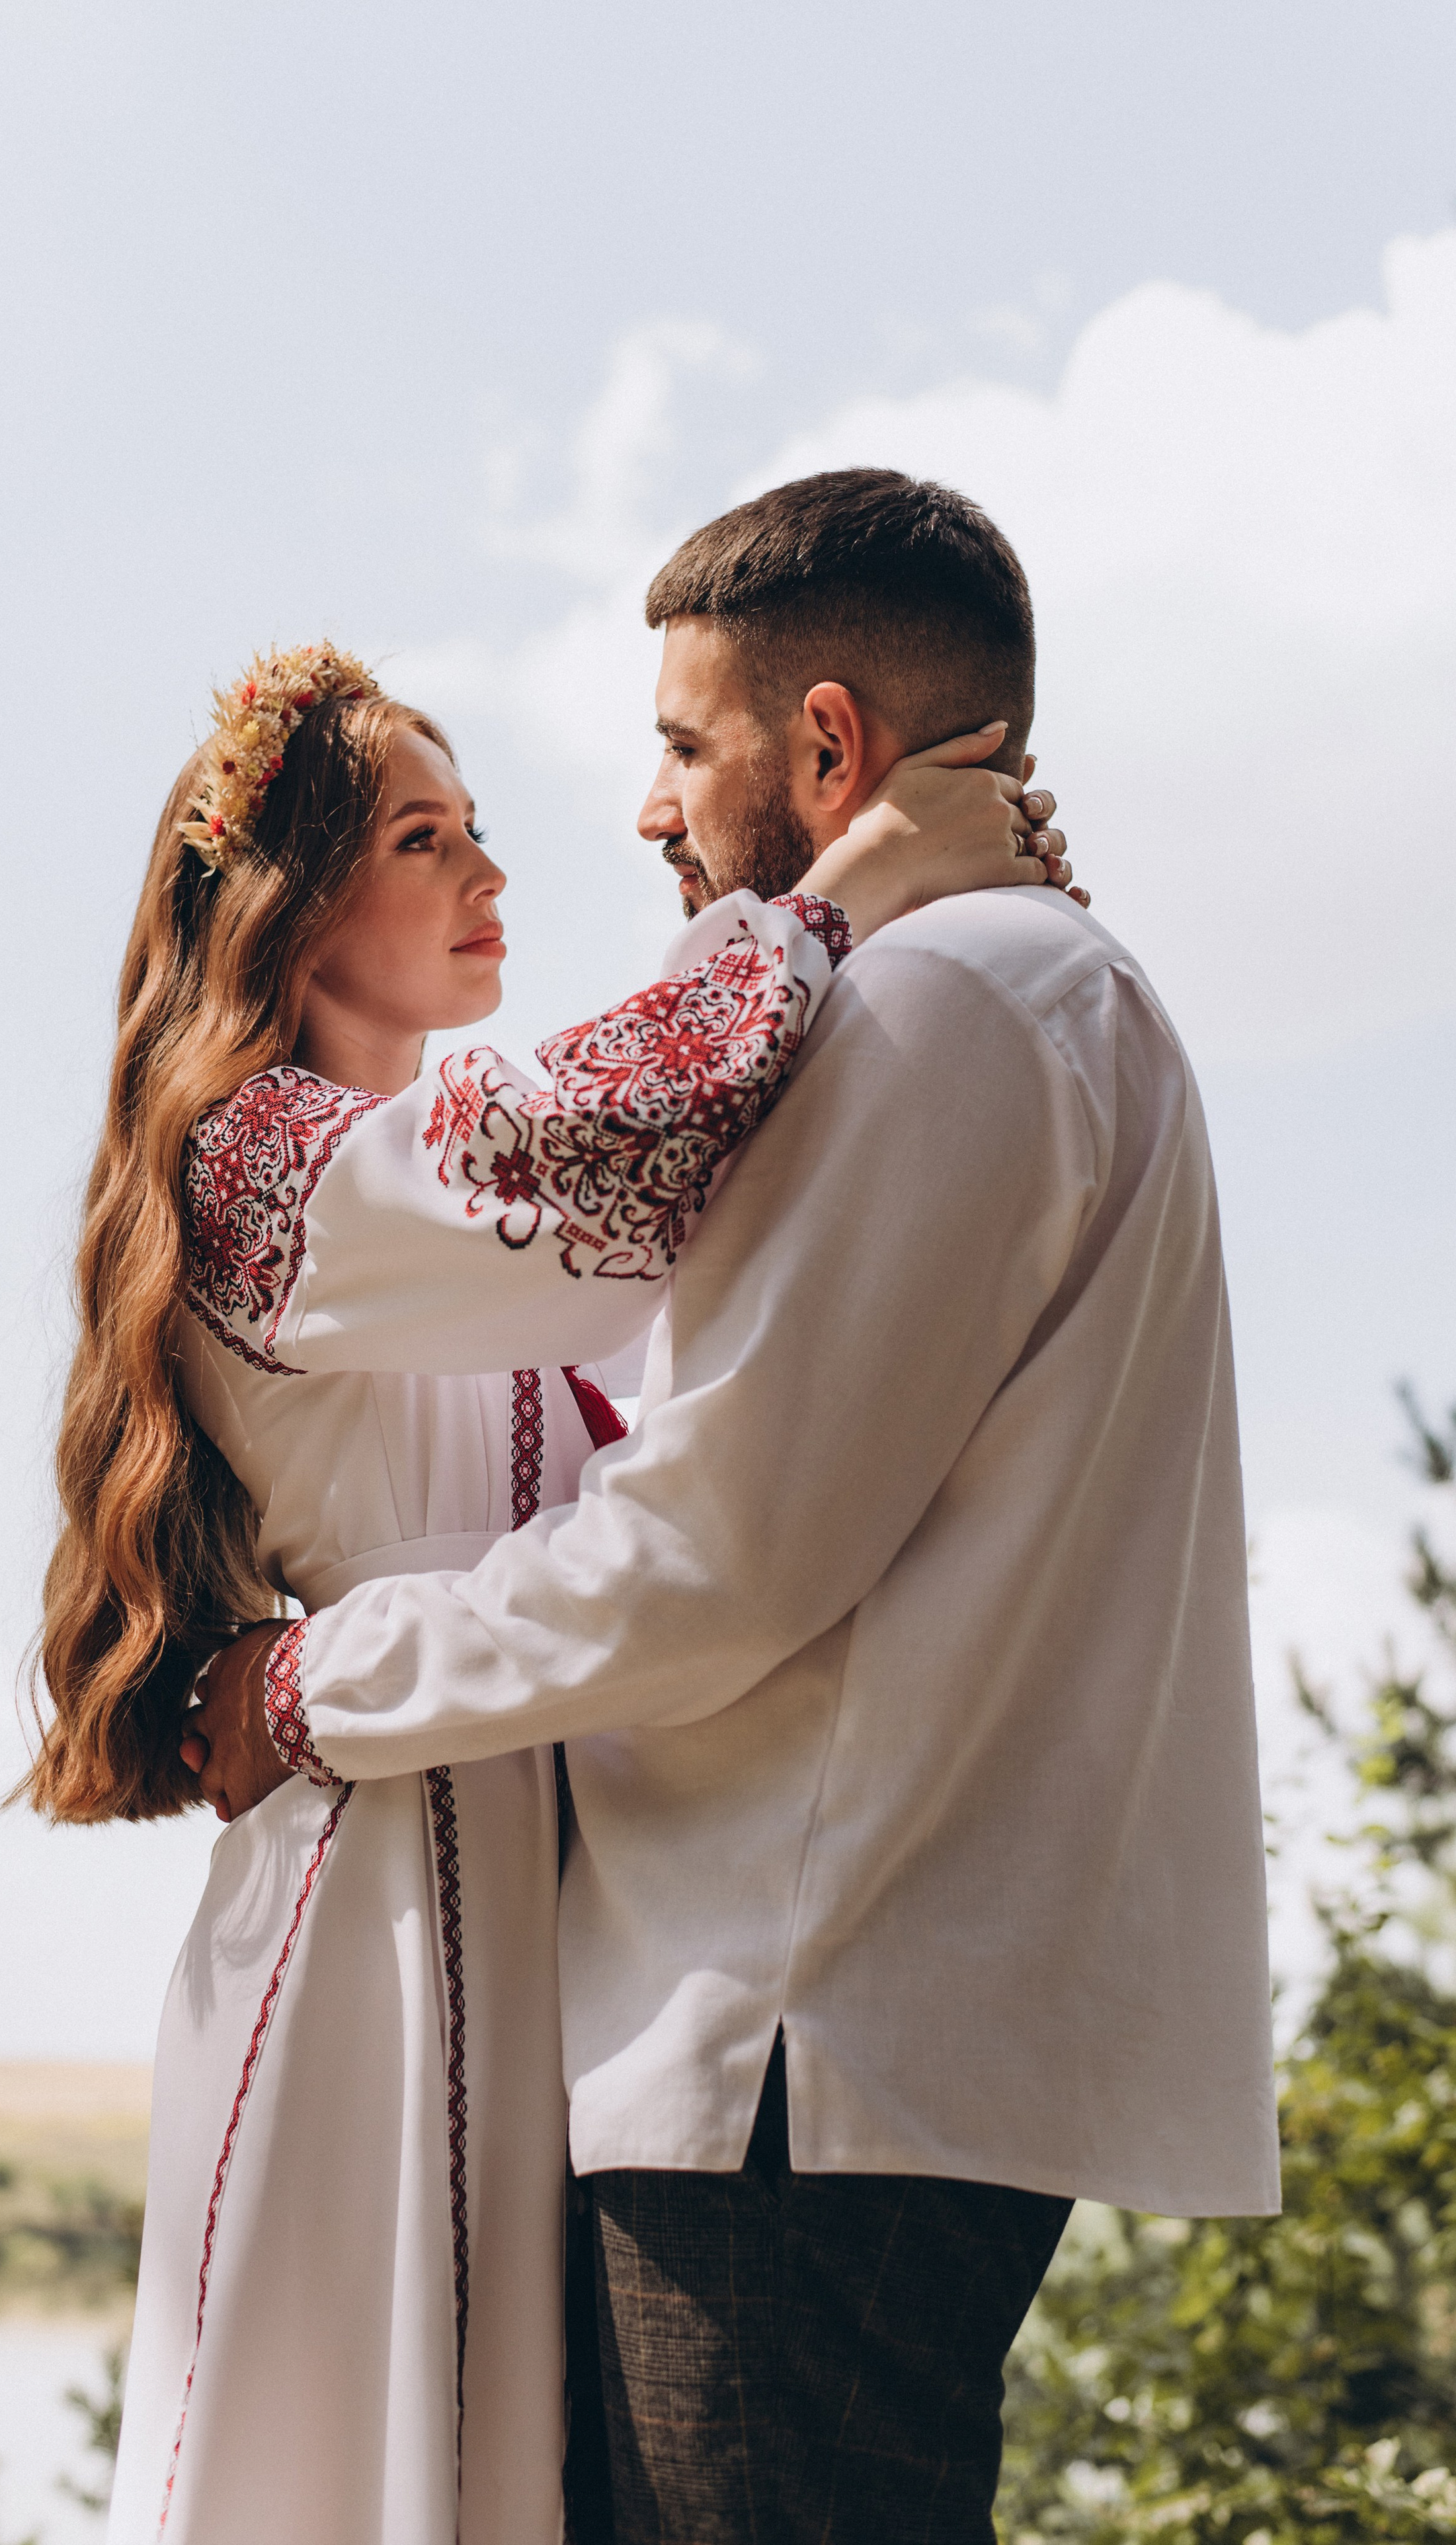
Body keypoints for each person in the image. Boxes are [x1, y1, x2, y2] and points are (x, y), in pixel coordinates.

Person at [188, 468, 1280, 2545]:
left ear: (831, 747)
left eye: (685, 745)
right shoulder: (1052, 988)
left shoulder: (943, 1003)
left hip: (798, 2029)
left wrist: (312, 1687)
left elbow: (707, 1557)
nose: (644, 809)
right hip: (844, 2021)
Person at [28, 631, 1071, 2545]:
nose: (491, 873)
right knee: (350, 2460)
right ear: (288, 908)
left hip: (533, 1871)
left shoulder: (441, 1220)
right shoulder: (255, 1165)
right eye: (423, 840)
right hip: (377, 1897)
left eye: (476, 826)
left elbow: (699, 1264)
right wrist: (846, 892)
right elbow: (612, 1134)